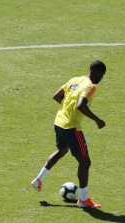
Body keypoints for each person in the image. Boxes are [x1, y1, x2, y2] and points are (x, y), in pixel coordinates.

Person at [31, 60, 106, 208]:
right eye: (102, 75)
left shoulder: (75, 80)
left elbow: (57, 96)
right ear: (96, 72)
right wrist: (97, 120)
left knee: (62, 150)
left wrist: (67, 108)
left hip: (59, 122)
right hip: (71, 127)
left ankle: (39, 179)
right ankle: (83, 199)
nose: (101, 78)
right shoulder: (90, 86)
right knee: (85, 162)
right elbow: (81, 105)